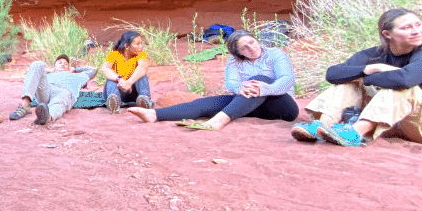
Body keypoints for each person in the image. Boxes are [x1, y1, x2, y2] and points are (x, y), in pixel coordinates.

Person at [290, 8, 422, 147]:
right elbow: (332, 74)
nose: (416, 31)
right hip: (396, 124)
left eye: (418, 25)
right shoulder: (374, 55)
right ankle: (320, 127)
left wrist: (366, 79)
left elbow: (405, 80)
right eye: (406, 28)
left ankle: (354, 133)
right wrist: (371, 69)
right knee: (347, 82)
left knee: (401, 87)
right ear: (387, 34)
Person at [127, 30, 299, 130]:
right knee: (209, 102)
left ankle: (219, 121)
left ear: (257, 40)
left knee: (259, 79)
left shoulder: (275, 54)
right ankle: (155, 114)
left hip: (282, 107)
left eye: (252, 42)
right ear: (238, 53)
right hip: (250, 104)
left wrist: (264, 88)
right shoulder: (234, 61)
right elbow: (231, 82)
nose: (252, 48)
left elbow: (287, 79)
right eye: (244, 48)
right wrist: (239, 88)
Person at [9, 54, 98, 125]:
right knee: (37, 64)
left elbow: (94, 69)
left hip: (64, 91)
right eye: (59, 62)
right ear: (54, 66)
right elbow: (31, 71)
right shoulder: (48, 75)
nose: (63, 64)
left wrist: (74, 69)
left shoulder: (77, 76)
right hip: (47, 90)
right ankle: (25, 106)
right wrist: (51, 70)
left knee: (61, 98)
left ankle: (47, 117)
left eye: (65, 63)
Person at [101, 30, 153, 113]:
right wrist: (119, 79)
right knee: (111, 79)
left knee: (142, 75)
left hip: (132, 91)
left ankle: (145, 99)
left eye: (141, 43)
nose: (141, 46)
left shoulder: (141, 54)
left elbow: (143, 67)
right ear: (127, 46)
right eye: (137, 44)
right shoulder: (114, 54)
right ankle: (114, 104)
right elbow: (105, 68)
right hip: (118, 89)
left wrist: (129, 82)